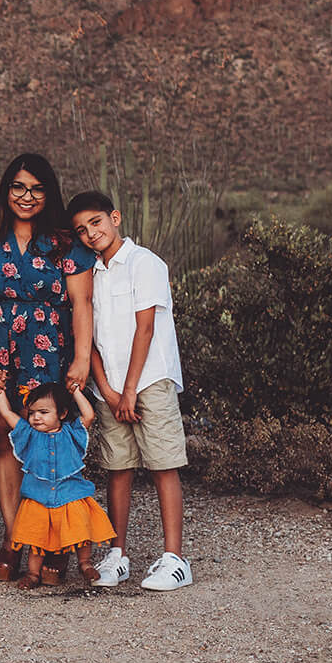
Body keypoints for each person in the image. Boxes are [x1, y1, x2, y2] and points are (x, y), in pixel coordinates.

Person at [0, 152, 94, 580]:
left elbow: (83, 303)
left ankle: (57, 541)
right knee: (6, 439)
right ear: (5, 189)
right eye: (18, 187)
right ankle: (18, 537)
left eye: (36, 189)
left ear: (47, 193)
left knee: (51, 440)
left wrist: (83, 358)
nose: (26, 196)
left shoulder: (65, 242)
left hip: (50, 351)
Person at [68, 191, 193, 593]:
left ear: (115, 218)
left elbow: (146, 329)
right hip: (110, 390)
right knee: (117, 468)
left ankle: (174, 558)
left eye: (96, 223)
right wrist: (105, 388)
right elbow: (90, 337)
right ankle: (117, 553)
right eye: (82, 230)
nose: (91, 234)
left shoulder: (145, 264)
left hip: (148, 383)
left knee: (162, 464)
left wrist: (131, 389)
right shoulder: (91, 273)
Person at [0, 381, 116, 591]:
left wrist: (75, 391)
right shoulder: (29, 435)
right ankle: (32, 573)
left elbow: (89, 415)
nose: (36, 417)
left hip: (70, 495)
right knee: (36, 541)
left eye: (43, 412)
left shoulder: (72, 432)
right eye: (32, 413)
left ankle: (85, 564)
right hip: (38, 497)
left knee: (81, 532)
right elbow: (7, 413)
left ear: (62, 413)